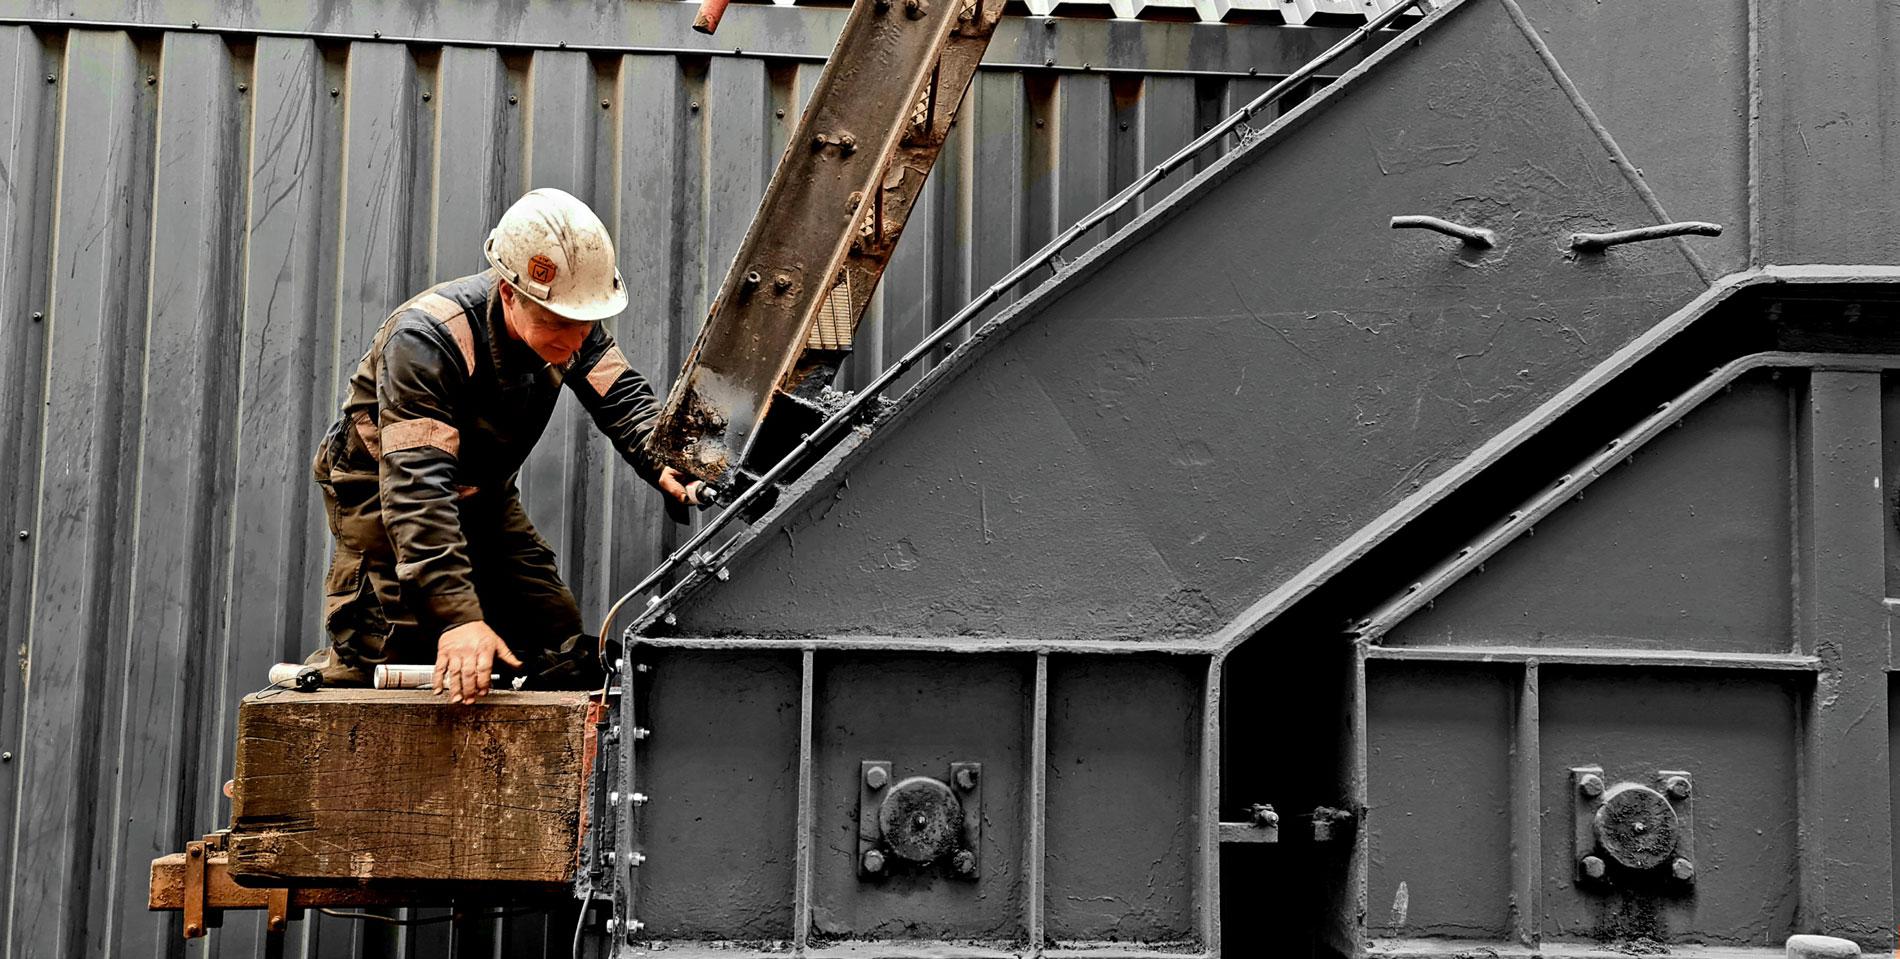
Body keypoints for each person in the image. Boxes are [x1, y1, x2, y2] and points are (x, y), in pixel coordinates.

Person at [305, 187, 701, 703]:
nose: (575, 343)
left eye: (585, 327)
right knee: (405, 659)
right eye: (560, 327)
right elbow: (417, 488)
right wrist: (457, 619)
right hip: (386, 497)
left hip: (482, 490)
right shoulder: (427, 340)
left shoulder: (571, 321)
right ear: (510, 293)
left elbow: (621, 396)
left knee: (555, 642)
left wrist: (664, 461)